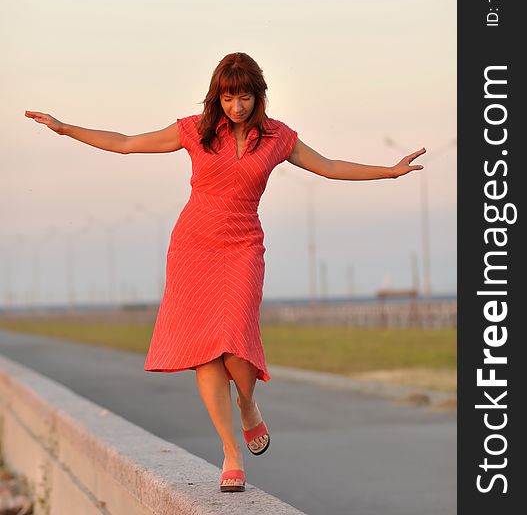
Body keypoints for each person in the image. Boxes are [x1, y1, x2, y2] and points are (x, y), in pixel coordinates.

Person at [25, 51, 426, 492]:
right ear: (218, 96)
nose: (238, 107)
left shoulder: (278, 138)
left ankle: (248, 403)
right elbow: (124, 142)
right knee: (204, 352)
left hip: (242, 247)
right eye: (230, 97)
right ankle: (231, 452)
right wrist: (66, 128)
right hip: (193, 246)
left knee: (236, 340)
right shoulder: (195, 132)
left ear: (259, 97)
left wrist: (389, 172)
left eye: (246, 97)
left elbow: (328, 167)